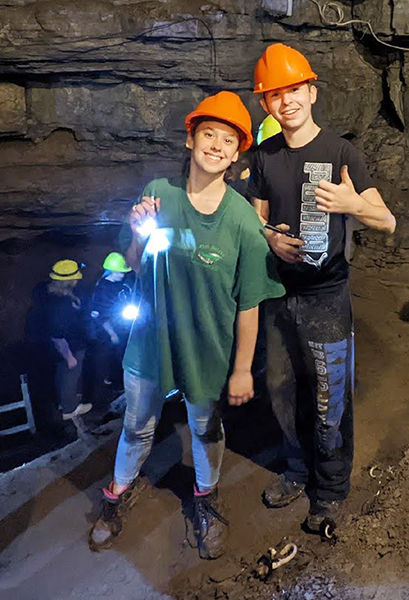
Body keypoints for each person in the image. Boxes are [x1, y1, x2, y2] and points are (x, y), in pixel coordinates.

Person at [88, 91, 285, 559]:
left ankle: (205, 498)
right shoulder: (159, 194)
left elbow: (249, 303)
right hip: (151, 344)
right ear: (190, 139)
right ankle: (117, 493)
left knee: (204, 429)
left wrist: (241, 369)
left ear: (238, 154)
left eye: (228, 139)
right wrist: (137, 235)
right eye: (208, 134)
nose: (216, 145)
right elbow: (136, 267)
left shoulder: (242, 220)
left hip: (207, 350)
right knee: (137, 425)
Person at [248, 43, 396, 533]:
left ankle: (330, 489)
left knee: (330, 396)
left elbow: (387, 221)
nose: (286, 101)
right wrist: (270, 237)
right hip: (276, 295)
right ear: (266, 105)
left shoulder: (340, 152)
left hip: (326, 295)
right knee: (280, 389)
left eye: (294, 90)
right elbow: (256, 220)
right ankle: (297, 469)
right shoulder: (265, 157)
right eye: (275, 95)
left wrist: (353, 203)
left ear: (312, 92)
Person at [29, 259, 92, 421]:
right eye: (75, 277)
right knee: (69, 376)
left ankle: (64, 403)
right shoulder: (59, 304)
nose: (78, 279)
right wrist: (69, 356)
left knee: (63, 374)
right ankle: (69, 409)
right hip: (69, 346)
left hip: (67, 344)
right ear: (68, 280)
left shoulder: (55, 294)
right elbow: (58, 336)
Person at [87, 252, 134, 391]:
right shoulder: (102, 287)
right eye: (120, 272)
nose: (122, 274)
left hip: (123, 325)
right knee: (116, 356)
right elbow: (99, 314)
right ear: (111, 270)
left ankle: (119, 380)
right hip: (110, 329)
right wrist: (112, 333)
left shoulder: (121, 283)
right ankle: (116, 383)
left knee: (122, 353)